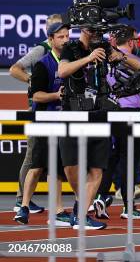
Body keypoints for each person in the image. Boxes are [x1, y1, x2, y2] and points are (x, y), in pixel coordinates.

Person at [59, 27, 140, 229]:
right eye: (92, 29)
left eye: (99, 29)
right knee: (71, 165)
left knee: (97, 169)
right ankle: (81, 203)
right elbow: (62, 71)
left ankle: (81, 214)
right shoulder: (71, 48)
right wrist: (88, 59)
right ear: (84, 30)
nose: (97, 33)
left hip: (100, 114)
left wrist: (118, 56)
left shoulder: (105, 47)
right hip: (74, 113)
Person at [93, 26, 140, 220]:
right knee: (130, 161)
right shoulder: (139, 63)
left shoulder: (104, 61)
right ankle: (128, 206)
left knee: (110, 158)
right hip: (131, 116)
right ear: (131, 42)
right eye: (136, 40)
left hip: (108, 114)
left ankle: (102, 197)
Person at [14, 22, 70, 226]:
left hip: (63, 121)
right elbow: (36, 95)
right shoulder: (43, 64)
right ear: (51, 39)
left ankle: (57, 210)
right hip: (43, 120)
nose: (65, 40)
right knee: (36, 167)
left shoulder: (70, 62)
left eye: (67, 36)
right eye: (61, 37)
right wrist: (56, 95)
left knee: (55, 168)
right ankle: (24, 206)